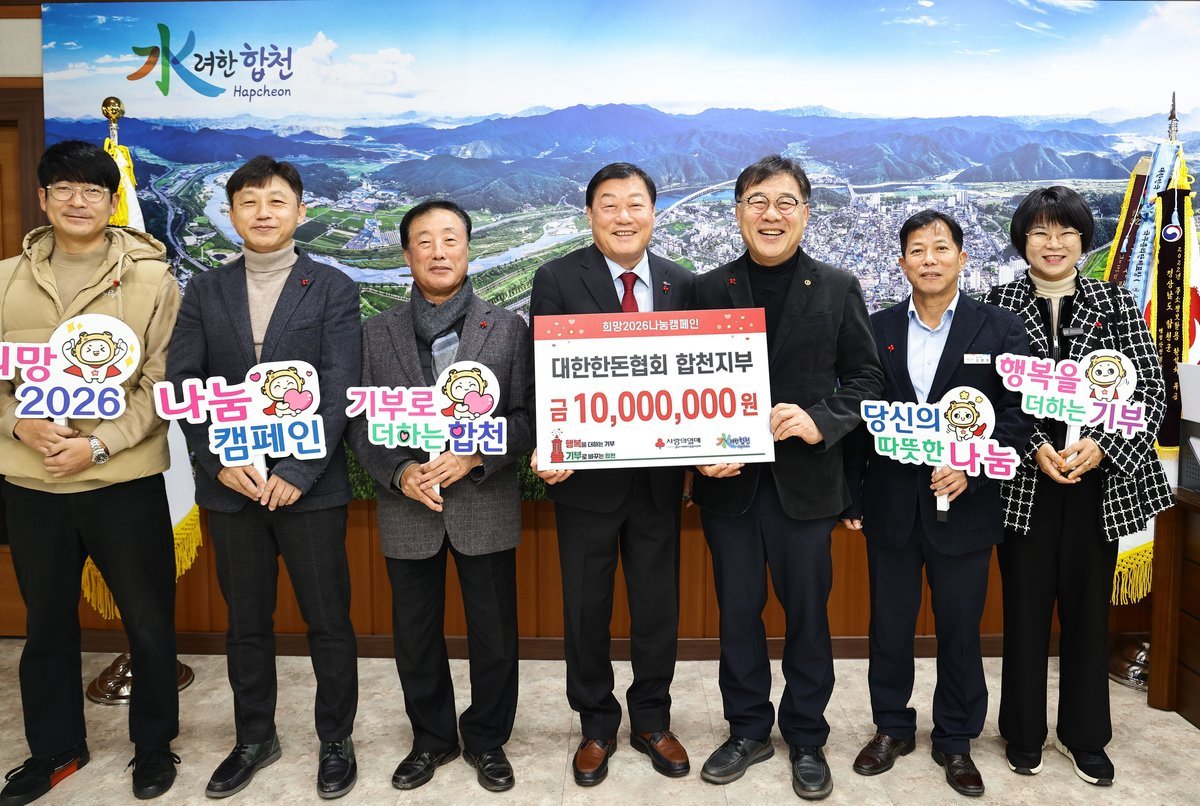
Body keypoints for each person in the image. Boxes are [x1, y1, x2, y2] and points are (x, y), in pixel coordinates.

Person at [166, 156, 361, 799]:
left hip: (310, 488)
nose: (263, 213)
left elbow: (339, 385)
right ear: (231, 215)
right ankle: (254, 737)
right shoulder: (205, 289)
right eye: (248, 202)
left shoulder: (331, 287)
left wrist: (300, 470)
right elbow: (185, 384)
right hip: (232, 487)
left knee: (327, 619)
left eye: (276, 201)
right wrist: (218, 461)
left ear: (300, 211)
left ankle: (336, 738)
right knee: (246, 622)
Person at [690, 155, 883, 800]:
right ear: (737, 211)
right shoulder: (707, 289)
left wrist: (819, 419)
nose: (770, 214)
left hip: (806, 484)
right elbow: (682, 388)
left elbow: (867, 379)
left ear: (805, 212)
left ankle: (806, 736)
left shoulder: (837, 286)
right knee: (737, 613)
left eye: (785, 202)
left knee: (807, 616)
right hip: (729, 483)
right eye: (757, 201)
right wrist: (696, 451)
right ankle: (747, 729)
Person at [0, 140, 182, 803]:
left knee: (149, 622)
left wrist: (99, 445)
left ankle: (154, 746)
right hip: (32, 483)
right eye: (64, 190)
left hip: (123, 482)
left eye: (93, 191)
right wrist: (16, 424)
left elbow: (160, 385)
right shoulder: (4, 280)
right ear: (43, 199)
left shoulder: (154, 282)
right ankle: (55, 750)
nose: (78, 202)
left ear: (112, 202)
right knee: (46, 623)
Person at [841, 210, 1033, 797]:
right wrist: (851, 494)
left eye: (941, 248)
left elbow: (1019, 416)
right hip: (891, 505)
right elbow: (857, 415)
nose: (930, 259)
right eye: (918, 250)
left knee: (960, 631)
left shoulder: (999, 329)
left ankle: (955, 739)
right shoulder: (874, 328)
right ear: (902, 263)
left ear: (962, 258)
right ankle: (891, 729)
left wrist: (972, 469)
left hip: (967, 507)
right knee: (889, 628)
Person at [986, 185, 1172, 787]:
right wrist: (1032, 447)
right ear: (1022, 241)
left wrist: (1102, 445)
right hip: (1025, 484)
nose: (1054, 243)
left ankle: (1085, 736)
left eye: (1066, 231)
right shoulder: (997, 304)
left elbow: (1150, 390)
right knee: (1024, 612)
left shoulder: (1114, 302)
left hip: (1098, 485)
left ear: (1083, 241)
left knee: (1089, 614)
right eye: (1040, 232)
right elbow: (987, 396)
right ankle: (1022, 733)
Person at [348, 199, 532, 793]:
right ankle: (431, 738)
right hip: (409, 505)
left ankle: (487, 738)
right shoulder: (375, 333)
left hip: (483, 499)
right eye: (424, 241)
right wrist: (400, 472)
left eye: (450, 239)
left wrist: (476, 455)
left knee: (494, 633)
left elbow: (528, 418)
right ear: (407, 255)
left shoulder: (508, 328)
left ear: (468, 248)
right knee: (415, 634)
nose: (438, 252)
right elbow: (359, 422)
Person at [529, 162, 695, 786]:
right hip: (584, 483)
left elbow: (696, 374)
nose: (623, 217)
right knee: (586, 610)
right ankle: (595, 723)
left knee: (657, 609)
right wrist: (547, 443)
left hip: (658, 482)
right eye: (609, 205)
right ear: (590, 215)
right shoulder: (556, 278)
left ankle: (652, 719)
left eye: (635, 204)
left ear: (654, 212)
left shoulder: (682, 282)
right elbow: (541, 371)